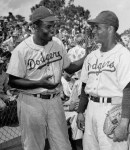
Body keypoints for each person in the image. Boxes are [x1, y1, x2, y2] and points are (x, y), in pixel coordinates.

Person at [6, 6, 87, 150]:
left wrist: (88, 57)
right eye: (48, 26)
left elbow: (70, 68)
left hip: (55, 100)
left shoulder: (57, 44)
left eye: (53, 26)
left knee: (63, 145)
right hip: (31, 102)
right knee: (33, 145)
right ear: (35, 26)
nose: (52, 30)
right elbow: (13, 81)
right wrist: (39, 83)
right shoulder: (21, 50)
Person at [76, 11, 130, 150]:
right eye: (94, 27)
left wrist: (124, 123)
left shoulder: (123, 55)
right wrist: (80, 111)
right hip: (91, 108)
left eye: (98, 27)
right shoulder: (91, 56)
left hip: (112, 110)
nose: (94, 31)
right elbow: (85, 86)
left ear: (110, 29)